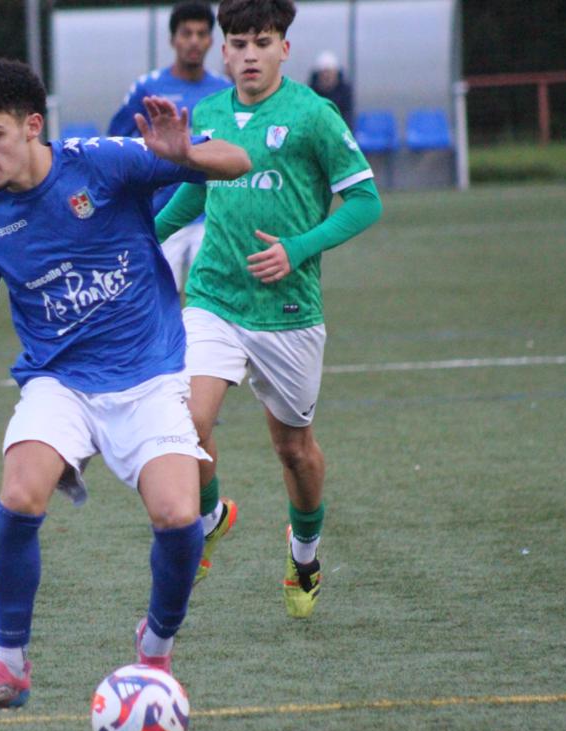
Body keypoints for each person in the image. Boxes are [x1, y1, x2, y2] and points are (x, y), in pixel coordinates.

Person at [0, 59, 250, 721]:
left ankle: (155, 652)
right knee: (20, 493)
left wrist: (186, 155)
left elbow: (238, 160)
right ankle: (9, 665)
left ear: (32, 125)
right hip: (60, 383)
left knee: (178, 517)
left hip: (149, 374)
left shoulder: (102, 164)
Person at [153, 0, 382, 618]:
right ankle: (209, 518)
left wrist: (297, 249)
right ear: (223, 51)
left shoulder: (313, 115)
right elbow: (193, 195)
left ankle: (304, 554)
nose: (249, 54)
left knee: (294, 450)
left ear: (285, 48)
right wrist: (144, 239)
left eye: (262, 42)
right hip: (214, 298)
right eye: (238, 43)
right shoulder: (207, 114)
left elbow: (366, 201)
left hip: (288, 311)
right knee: (184, 420)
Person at [108, 2, 233, 296]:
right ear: (172, 39)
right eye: (186, 33)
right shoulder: (147, 88)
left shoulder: (225, 89)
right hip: (162, 213)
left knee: (214, 299)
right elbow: (116, 143)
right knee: (160, 301)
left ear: (211, 41)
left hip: (211, 215)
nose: (194, 41)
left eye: (201, 34)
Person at [309, 50, 354, 127]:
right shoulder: (310, 94)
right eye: (324, 73)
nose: (327, 77)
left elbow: (348, 117)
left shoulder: (344, 93)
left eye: (330, 73)